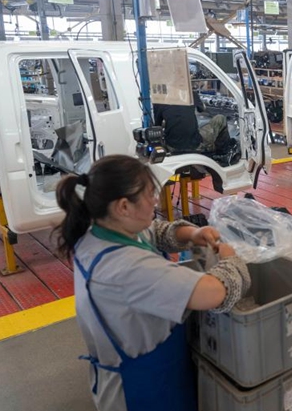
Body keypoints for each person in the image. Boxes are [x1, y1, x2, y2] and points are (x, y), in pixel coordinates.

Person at [55, 155, 250, 411]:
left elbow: (155, 231)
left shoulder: (100, 233)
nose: (155, 201)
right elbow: (212, 293)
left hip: (134, 368)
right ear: (123, 207)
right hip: (140, 388)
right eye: (149, 195)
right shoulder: (127, 268)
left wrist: (192, 233)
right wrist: (231, 261)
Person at [153, 90, 230, 154]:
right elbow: (202, 109)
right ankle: (222, 153)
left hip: (172, 147)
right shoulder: (191, 93)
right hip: (195, 146)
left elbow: (157, 126)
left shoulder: (159, 100)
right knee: (221, 118)